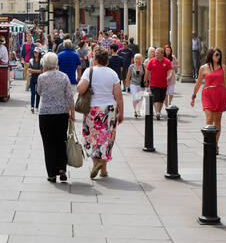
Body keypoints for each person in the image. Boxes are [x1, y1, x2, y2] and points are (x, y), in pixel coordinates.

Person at [77, 47, 123, 179]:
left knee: (91, 137)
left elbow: (80, 89)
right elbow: (118, 96)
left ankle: (96, 163)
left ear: (95, 59)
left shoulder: (89, 71)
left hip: (93, 110)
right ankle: (103, 169)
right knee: (107, 137)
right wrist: (121, 113)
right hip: (109, 109)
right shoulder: (113, 74)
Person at [36, 52, 75, 183]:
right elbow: (70, 95)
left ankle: (52, 174)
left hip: (45, 114)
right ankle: (62, 169)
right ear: (56, 63)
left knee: (48, 144)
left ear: (45, 64)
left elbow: (39, 92)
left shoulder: (42, 77)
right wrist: (72, 112)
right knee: (61, 140)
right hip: (61, 113)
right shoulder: (64, 77)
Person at [190, 47, 226, 151]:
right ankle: (209, 143)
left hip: (219, 94)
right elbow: (198, 83)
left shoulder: (223, 67)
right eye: (216, 54)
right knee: (209, 119)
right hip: (208, 94)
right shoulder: (203, 68)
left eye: (219, 55)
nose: (218, 57)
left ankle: (215, 144)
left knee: (217, 122)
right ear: (211, 55)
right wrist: (193, 96)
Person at [146, 45, 174, 119]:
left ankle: (158, 111)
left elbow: (170, 71)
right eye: (155, 53)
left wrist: (169, 76)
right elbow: (147, 71)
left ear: (162, 53)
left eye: (157, 53)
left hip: (163, 84)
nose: (156, 54)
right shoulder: (151, 61)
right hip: (154, 84)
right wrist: (146, 80)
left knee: (161, 99)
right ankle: (157, 112)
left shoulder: (167, 61)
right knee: (156, 98)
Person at [127, 49, 145, 118]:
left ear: (141, 59)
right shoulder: (131, 66)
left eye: (139, 58)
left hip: (141, 84)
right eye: (136, 58)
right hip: (133, 84)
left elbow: (146, 75)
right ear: (134, 59)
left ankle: (139, 110)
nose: (138, 60)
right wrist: (127, 85)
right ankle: (135, 110)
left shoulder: (143, 66)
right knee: (135, 97)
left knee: (140, 98)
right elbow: (128, 75)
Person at [28, 47, 45, 113]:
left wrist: (33, 70)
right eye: (35, 52)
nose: (35, 53)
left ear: (39, 53)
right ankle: (32, 106)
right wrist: (37, 71)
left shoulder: (41, 61)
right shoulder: (31, 60)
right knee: (32, 93)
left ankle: (37, 107)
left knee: (38, 93)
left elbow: (42, 71)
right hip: (32, 78)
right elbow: (29, 70)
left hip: (39, 79)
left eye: (37, 52)